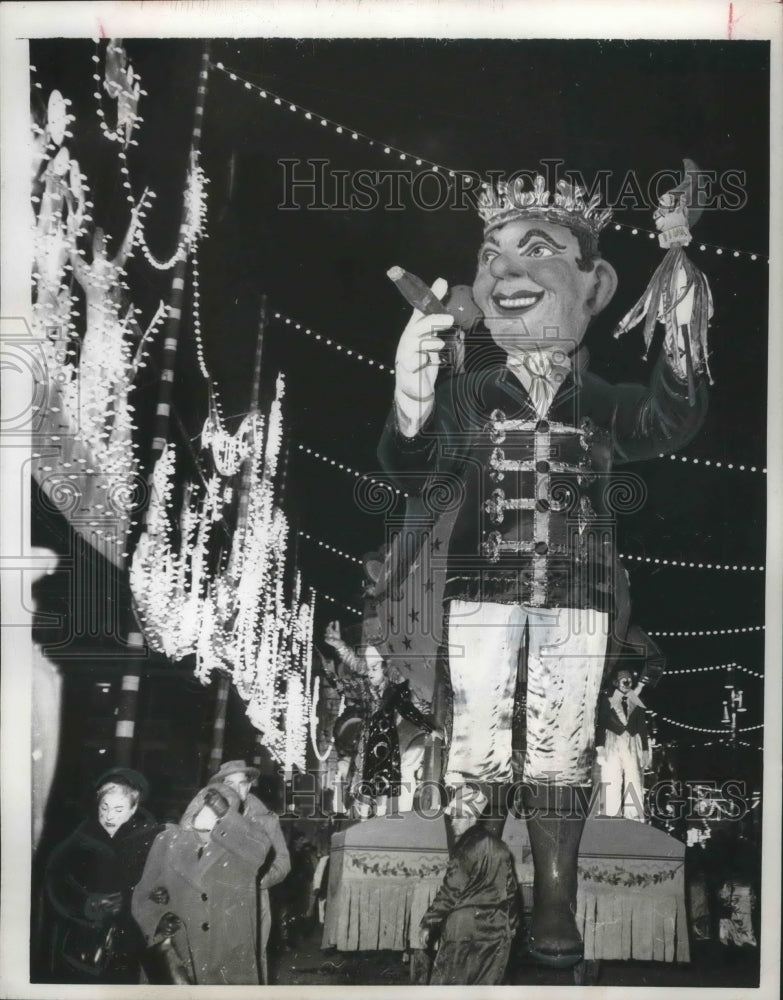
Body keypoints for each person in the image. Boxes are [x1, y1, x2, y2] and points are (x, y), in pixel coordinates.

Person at [378, 171, 709, 964]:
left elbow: (672, 415)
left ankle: (554, 892)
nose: (505, 272)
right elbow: (411, 461)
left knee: (562, 736)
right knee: (477, 739)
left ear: (594, 286)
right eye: (490, 256)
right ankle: (476, 880)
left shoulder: (601, 401)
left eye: (536, 251)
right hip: (481, 587)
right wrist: (412, 385)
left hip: (578, 590)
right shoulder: (467, 393)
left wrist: (679, 292)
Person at [132, 778, 281, 985]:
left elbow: (261, 850)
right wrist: (156, 920)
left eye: (217, 809)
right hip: (179, 951)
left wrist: (226, 816)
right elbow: (142, 896)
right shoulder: (168, 841)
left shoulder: (241, 848)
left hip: (226, 955)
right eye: (203, 803)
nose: (206, 811)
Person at [45, 768, 161, 984]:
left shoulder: (150, 838)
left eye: (118, 810)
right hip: (86, 943)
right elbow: (55, 879)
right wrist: (85, 904)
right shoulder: (80, 839)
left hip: (131, 942)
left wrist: (139, 898)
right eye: (104, 807)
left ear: (133, 809)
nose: (108, 816)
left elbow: (160, 882)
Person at [323, 621, 441, 815]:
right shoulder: (370, 678)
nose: (369, 672)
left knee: (404, 766)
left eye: (374, 668)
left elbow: (410, 700)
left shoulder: (398, 673)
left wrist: (423, 714)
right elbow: (357, 670)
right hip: (380, 735)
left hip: (407, 731)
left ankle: (395, 813)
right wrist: (338, 649)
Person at [418, 785, 519, 985]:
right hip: (495, 932)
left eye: (458, 816)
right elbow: (511, 893)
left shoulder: (464, 848)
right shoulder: (501, 848)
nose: (453, 822)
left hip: (462, 931)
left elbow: (450, 892)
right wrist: (512, 927)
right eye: (452, 817)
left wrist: (428, 923)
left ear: (472, 817)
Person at [209, 759, 291, 981]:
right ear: (220, 787)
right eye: (229, 784)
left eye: (241, 783)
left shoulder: (266, 820)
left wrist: (259, 881)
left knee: (251, 961)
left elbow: (284, 862)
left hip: (253, 901)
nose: (236, 789)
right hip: (214, 898)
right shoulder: (207, 816)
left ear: (249, 786)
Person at [595, 667, 651, 820]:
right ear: (617, 682)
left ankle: (633, 817)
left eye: (629, 681)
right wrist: (600, 747)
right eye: (623, 680)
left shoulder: (636, 700)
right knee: (611, 776)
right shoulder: (607, 699)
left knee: (634, 777)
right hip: (612, 740)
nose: (627, 683)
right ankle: (610, 814)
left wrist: (645, 749)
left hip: (632, 741)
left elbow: (642, 727)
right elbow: (601, 723)